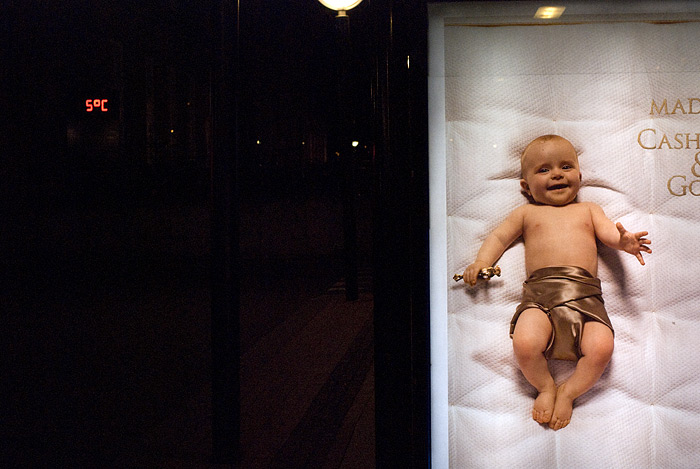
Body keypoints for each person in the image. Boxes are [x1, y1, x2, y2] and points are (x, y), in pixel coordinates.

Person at [462, 135, 651, 430]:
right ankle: (546, 386)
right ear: (525, 186)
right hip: (540, 298)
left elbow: (608, 232)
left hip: (585, 299)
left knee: (602, 347)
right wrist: (481, 261)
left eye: (566, 167)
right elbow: (498, 237)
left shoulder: (589, 210)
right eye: (544, 170)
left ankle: (569, 392)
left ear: (580, 176)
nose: (557, 174)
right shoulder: (526, 213)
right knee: (525, 343)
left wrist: (623, 242)